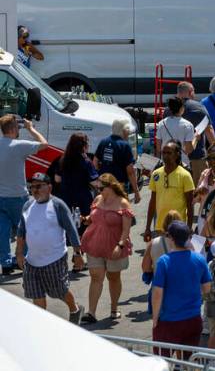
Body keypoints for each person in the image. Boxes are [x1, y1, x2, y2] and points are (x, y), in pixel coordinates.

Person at [15, 172, 84, 322]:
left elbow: (72, 230)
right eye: (32, 187)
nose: (35, 190)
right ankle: (43, 324)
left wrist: (78, 254)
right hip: (32, 261)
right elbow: (21, 232)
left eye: (39, 186)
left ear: (49, 187)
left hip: (55, 258)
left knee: (59, 290)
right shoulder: (27, 205)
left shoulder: (58, 205)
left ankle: (75, 309)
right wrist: (19, 253)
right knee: (36, 294)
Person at [149, 220, 210, 357]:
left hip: (168, 321)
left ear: (171, 238)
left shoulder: (164, 261)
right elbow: (207, 288)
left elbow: (157, 293)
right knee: (187, 362)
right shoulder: (199, 259)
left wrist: (155, 318)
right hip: (193, 319)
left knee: (161, 361)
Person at [79, 174, 133, 323]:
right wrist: (85, 219)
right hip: (94, 244)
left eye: (101, 188)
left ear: (110, 187)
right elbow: (92, 219)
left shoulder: (123, 203)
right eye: (97, 187)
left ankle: (114, 308)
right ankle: (91, 313)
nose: (99, 190)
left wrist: (120, 245)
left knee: (113, 278)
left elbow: (126, 230)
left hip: (114, 246)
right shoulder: (97, 199)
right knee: (96, 277)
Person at [142, 141, 194, 241]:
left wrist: (189, 227)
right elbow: (152, 202)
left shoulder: (185, 175)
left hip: (179, 228)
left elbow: (190, 204)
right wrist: (148, 228)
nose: (165, 156)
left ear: (177, 154)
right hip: (160, 228)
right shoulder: (156, 174)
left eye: (169, 153)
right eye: (164, 153)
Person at [94, 119, 139, 203]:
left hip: (103, 185)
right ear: (124, 131)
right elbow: (130, 172)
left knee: (104, 208)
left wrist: (98, 177)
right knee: (119, 210)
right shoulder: (125, 145)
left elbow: (95, 161)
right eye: (128, 130)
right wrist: (136, 192)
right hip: (119, 186)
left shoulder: (103, 141)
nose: (128, 133)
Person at [156, 97, 198, 165]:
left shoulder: (161, 123)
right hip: (182, 163)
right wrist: (196, 138)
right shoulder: (188, 125)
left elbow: (158, 148)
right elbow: (188, 150)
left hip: (165, 162)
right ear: (181, 109)